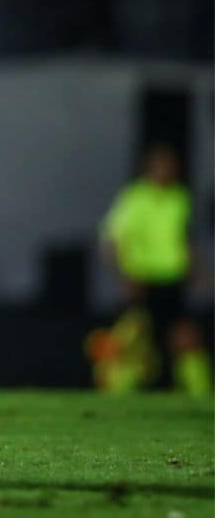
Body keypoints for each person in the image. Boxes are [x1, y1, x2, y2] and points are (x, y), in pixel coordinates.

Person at [100, 144, 211, 397]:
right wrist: (124, 275)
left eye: (170, 164)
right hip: (142, 278)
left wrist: (196, 269)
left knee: (185, 336)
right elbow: (112, 239)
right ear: (149, 168)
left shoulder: (180, 198)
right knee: (132, 340)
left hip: (171, 278)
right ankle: (116, 396)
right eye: (160, 164)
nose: (166, 169)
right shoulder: (135, 198)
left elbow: (181, 240)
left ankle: (201, 395)